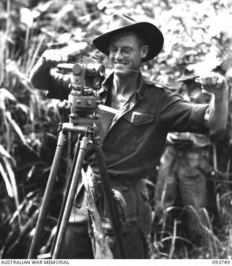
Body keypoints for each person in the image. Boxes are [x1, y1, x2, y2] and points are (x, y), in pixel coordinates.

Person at [29, 14, 228, 259]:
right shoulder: (91, 84)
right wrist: (45, 63)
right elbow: (39, 81)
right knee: (66, 256)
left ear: (143, 52)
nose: (118, 57)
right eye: (113, 50)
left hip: (127, 204)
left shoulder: (160, 100)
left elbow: (212, 122)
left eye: (126, 50)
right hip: (85, 194)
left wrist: (220, 93)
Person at [154, 76, 219, 248]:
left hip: (193, 156)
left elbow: (216, 125)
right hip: (171, 153)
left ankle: (204, 251)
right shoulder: (174, 94)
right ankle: (159, 245)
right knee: (162, 203)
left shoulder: (208, 97)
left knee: (196, 209)